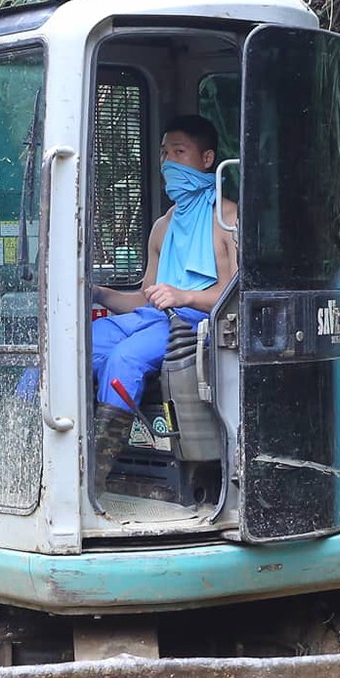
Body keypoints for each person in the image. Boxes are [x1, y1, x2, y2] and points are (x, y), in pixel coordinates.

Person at [86, 114, 237, 512]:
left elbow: (234, 295)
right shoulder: (162, 227)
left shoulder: (228, 220)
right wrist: (98, 293)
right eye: (164, 153)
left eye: (179, 152)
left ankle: (91, 480)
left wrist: (185, 296)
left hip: (192, 323)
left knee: (125, 359)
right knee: (68, 348)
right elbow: (145, 297)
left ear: (207, 159)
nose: (169, 162)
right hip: (153, 318)